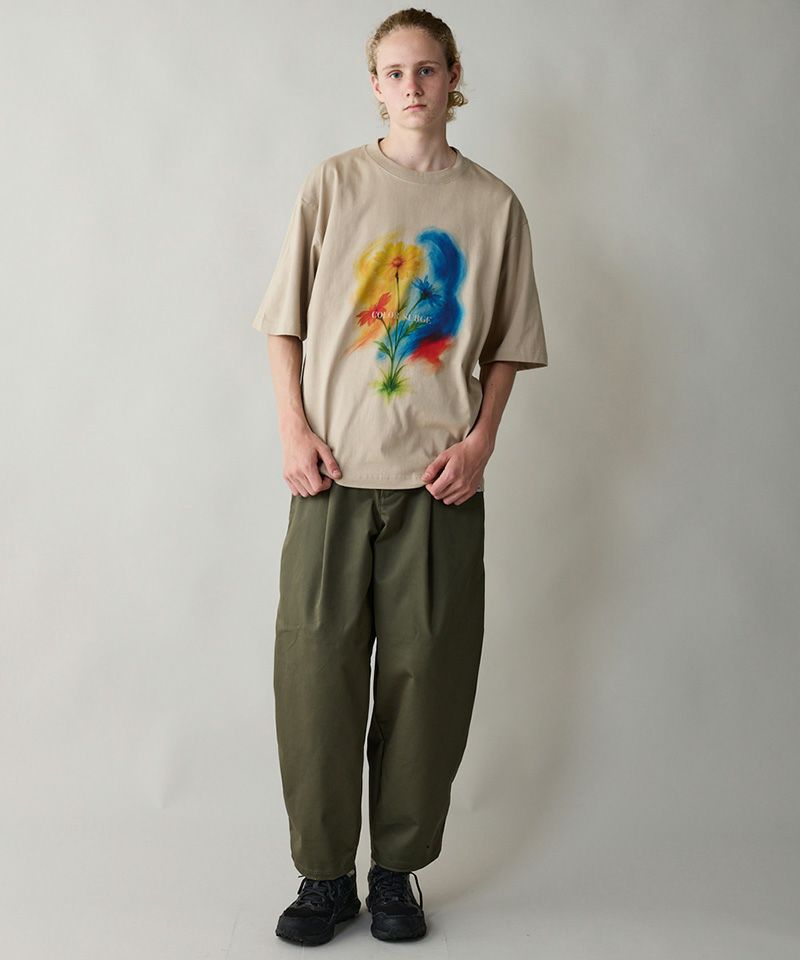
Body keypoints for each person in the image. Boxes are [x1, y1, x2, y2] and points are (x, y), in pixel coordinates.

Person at [251, 7, 548, 947]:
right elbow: (283, 324)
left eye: (427, 69)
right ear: (374, 86)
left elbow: (506, 345)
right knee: (315, 678)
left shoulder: (494, 206)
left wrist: (482, 443)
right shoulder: (334, 185)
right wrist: (294, 431)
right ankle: (322, 877)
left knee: (428, 684)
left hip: (438, 489)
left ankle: (395, 874)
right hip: (331, 481)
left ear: (453, 76)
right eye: (393, 72)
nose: (411, 86)